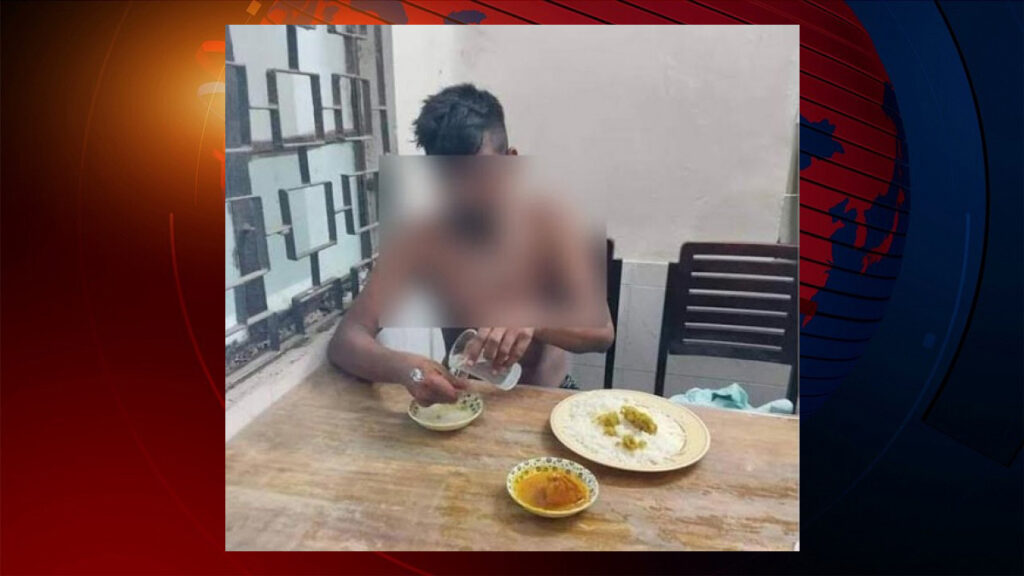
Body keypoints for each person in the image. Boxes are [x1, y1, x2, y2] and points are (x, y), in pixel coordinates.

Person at [329, 84, 614, 406]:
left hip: (549, 398)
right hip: (464, 401)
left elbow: (603, 332)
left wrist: (534, 321)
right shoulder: (419, 239)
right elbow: (347, 339)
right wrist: (406, 370)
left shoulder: (552, 222)